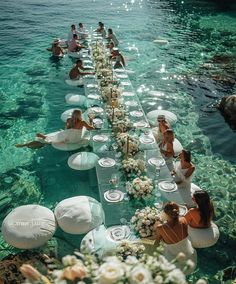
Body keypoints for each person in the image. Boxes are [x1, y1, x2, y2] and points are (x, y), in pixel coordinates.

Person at [153, 202, 197, 275]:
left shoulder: (161, 228)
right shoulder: (183, 219)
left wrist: (156, 227)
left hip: (174, 258)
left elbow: (156, 242)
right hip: (189, 255)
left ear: (166, 213)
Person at [16, 110, 94, 149]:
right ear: (80, 116)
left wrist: (64, 132)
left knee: (50, 139)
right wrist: (91, 119)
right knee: (49, 141)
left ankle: (25, 144)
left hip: (67, 136)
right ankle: (44, 138)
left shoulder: (69, 120)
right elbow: (91, 128)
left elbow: (66, 129)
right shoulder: (83, 122)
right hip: (75, 140)